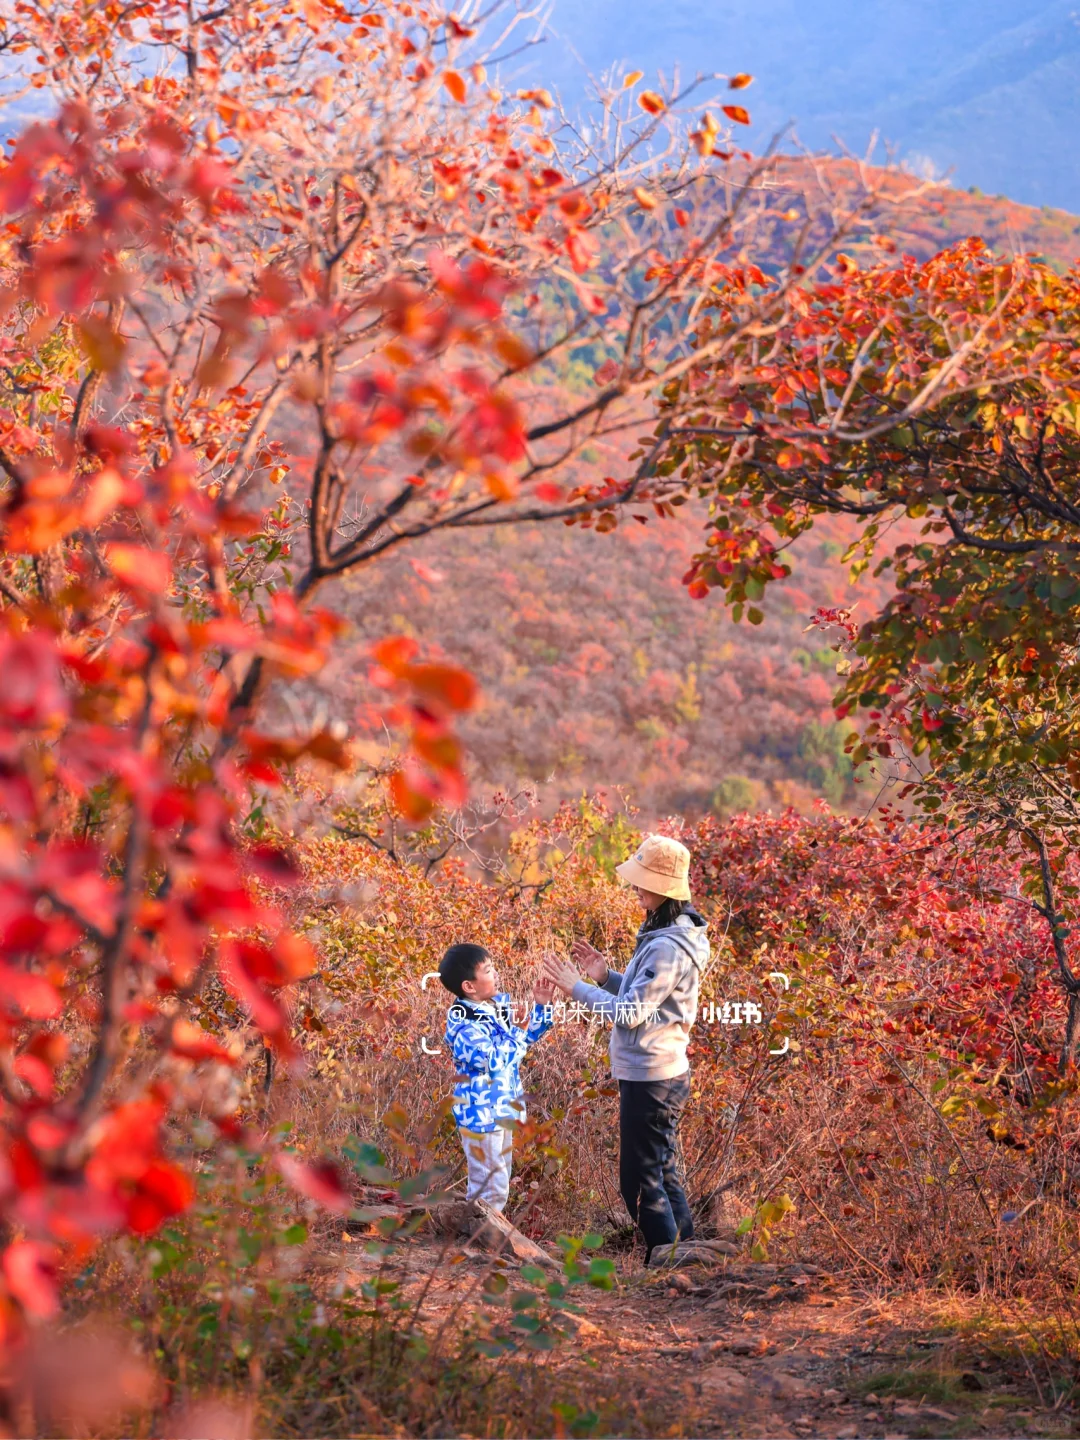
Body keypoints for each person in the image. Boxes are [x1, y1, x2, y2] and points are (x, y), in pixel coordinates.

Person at [543, 834, 708, 1262]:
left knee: (637, 1181)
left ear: (663, 887)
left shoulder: (668, 946)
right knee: (661, 1169)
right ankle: (685, 1252)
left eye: (642, 880)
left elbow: (632, 1013)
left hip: (652, 1075)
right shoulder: (669, 933)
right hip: (657, 1070)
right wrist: (605, 977)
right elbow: (647, 999)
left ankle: (665, 1260)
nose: (635, 887)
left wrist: (575, 988)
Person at [439, 942, 556, 1213]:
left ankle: (480, 1239)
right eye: (489, 970)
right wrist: (516, 1032)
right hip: (481, 1114)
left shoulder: (493, 1008)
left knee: (497, 1180)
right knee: (490, 1186)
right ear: (469, 986)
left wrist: (541, 1008)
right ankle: (479, 1244)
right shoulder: (463, 1023)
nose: (496, 975)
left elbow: (520, 1043)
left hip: (501, 1108)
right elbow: (493, 1059)